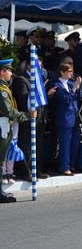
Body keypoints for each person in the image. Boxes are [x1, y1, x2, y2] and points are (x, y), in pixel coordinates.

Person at [0, 58, 36, 203]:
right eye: (9, 70)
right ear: (1, 72)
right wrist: (26, 115)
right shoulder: (2, 90)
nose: (11, 73)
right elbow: (8, 110)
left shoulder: (5, 87)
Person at [51, 63, 82, 175]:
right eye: (69, 71)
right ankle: (64, 167)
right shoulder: (57, 85)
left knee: (75, 142)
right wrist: (74, 88)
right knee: (65, 143)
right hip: (65, 117)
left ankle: (71, 164)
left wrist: (77, 87)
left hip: (74, 115)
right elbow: (64, 99)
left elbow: (78, 96)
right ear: (62, 72)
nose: (71, 73)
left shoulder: (70, 83)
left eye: (71, 71)